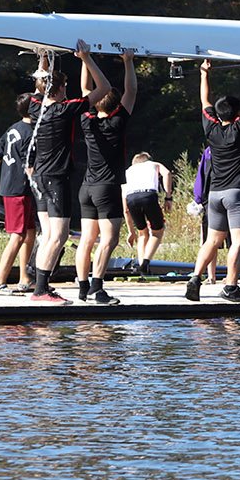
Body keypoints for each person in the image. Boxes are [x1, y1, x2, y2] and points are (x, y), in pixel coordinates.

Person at [28, 41, 111, 303]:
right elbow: (105, 89)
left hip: (38, 177)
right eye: (65, 86)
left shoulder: (35, 106)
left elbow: (40, 86)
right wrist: (86, 58)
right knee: (59, 234)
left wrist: (43, 59)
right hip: (55, 178)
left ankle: (40, 287)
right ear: (62, 89)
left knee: (48, 234)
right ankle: (41, 290)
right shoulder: (65, 109)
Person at [185, 60, 240, 302]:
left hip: (215, 194)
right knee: (239, 242)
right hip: (237, 194)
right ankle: (230, 287)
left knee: (212, 240)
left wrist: (203, 74)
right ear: (238, 114)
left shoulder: (211, 128)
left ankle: (195, 278)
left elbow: (205, 101)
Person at [72, 49, 138, 304]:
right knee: (110, 239)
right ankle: (97, 288)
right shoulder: (118, 121)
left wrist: (84, 60)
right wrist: (129, 62)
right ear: (115, 106)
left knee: (87, 239)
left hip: (86, 187)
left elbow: (84, 88)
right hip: (106, 187)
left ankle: (82, 286)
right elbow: (131, 91)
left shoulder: (86, 120)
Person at [0, 92, 39, 295]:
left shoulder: (13, 128)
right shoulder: (31, 133)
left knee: (30, 232)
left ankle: (24, 278)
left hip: (14, 187)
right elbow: (29, 165)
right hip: (18, 188)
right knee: (18, 235)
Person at [122, 152, 173, 274]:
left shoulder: (128, 171)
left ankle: (140, 267)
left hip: (131, 198)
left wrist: (130, 232)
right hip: (148, 195)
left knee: (142, 233)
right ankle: (145, 262)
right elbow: (167, 173)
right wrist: (168, 197)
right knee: (157, 232)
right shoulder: (153, 164)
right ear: (147, 160)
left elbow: (126, 209)